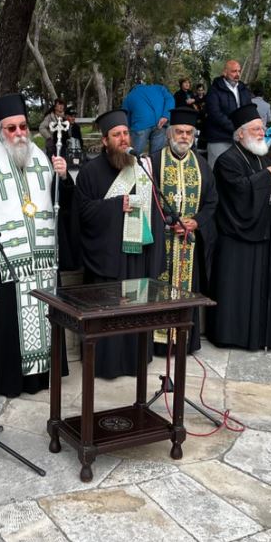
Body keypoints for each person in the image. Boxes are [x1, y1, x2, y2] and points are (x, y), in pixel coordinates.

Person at [0, 94, 76, 397]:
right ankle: (7, 380)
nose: (20, 133)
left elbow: (63, 206)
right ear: (0, 131)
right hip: (7, 267)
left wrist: (63, 178)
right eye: (12, 128)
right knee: (8, 325)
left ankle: (40, 377)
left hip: (42, 264)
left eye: (23, 126)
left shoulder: (42, 159)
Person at [76, 109, 166, 377]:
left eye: (126, 133)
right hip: (108, 257)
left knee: (135, 310)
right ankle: (105, 364)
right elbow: (83, 213)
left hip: (137, 255)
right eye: (117, 135)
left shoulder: (141, 167)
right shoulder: (90, 172)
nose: (124, 139)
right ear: (105, 140)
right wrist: (116, 206)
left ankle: (135, 360)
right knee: (108, 312)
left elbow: (155, 210)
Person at [206, 103, 271, 350]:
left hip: (261, 235)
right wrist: (268, 176)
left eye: (262, 129)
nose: (262, 133)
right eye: (255, 129)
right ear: (240, 134)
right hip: (235, 239)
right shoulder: (226, 160)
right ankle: (230, 335)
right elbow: (238, 191)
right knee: (235, 292)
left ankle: (257, 334)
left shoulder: (262, 158)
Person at [149, 107, 217, 355]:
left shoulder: (201, 165)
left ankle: (183, 341)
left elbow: (212, 202)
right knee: (158, 287)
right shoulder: (154, 161)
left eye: (189, 132)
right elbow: (148, 197)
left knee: (185, 290)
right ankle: (158, 343)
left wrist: (195, 221)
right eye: (179, 131)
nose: (184, 137)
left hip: (188, 242)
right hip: (162, 241)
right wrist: (167, 221)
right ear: (169, 134)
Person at [203, 60, 253, 167]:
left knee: (236, 172)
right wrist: (236, 128)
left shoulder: (243, 89)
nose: (237, 74)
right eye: (234, 71)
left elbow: (248, 109)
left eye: (239, 71)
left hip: (239, 139)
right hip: (219, 138)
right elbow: (215, 114)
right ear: (225, 72)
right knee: (216, 172)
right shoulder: (214, 90)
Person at [121, 81, 175, 155]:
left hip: (140, 126)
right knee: (157, 156)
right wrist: (165, 115)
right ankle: (154, 165)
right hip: (161, 123)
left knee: (133, 155)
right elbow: (170, 99)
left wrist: (128, 132)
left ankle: (130, 165)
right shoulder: (159, 88)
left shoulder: (129, 96)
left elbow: (126, 117)